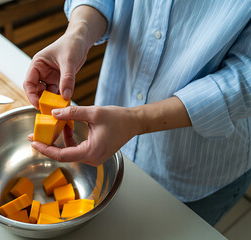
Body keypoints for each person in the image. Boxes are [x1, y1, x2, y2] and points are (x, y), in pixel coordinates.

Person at [23, 1, 251, 226]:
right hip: (113, 139)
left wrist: (138, 120)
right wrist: (78, 32)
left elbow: (244, 80)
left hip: (197, 172)